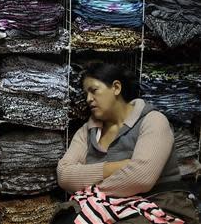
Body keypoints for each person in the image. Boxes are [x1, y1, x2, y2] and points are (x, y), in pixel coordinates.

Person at [51, 63, 199, 224]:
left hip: (158, 201)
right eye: (86, 93)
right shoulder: (87, 131)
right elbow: (64, 175)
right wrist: (114, 167)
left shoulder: (153, 120)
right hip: (102, 203)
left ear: (116, 87)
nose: (88, 99)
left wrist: (93, 189)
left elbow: (141, 178)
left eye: (94, 91)